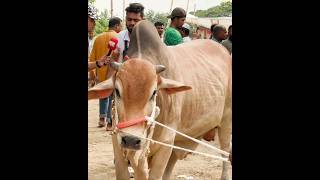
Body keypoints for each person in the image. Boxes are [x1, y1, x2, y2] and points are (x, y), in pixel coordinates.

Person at [89, 17, 122, 130]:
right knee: (113, 97)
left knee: (103, 95)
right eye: (120, 26)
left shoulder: (98, 38)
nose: (121, 28)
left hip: (100, 73)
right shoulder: (119, 38)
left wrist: (93, 74)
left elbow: (92, 58)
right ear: (117, 26)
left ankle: (101, 119)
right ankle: (110, 123)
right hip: (114, 73)